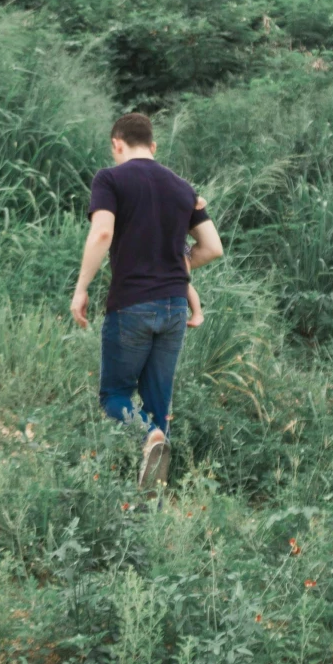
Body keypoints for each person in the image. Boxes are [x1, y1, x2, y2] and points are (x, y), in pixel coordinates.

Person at [71, 112, 224, 490]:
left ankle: (150, 439)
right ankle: (150, 496)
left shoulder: (110, 178)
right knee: (158, 403)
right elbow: (213, 248)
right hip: (174, 307)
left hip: (132, 305)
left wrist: (81, 288)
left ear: (117, 144)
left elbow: (102, 233)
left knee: (114, 395)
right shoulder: (183, 188)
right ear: (153, 146)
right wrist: (183, 260)